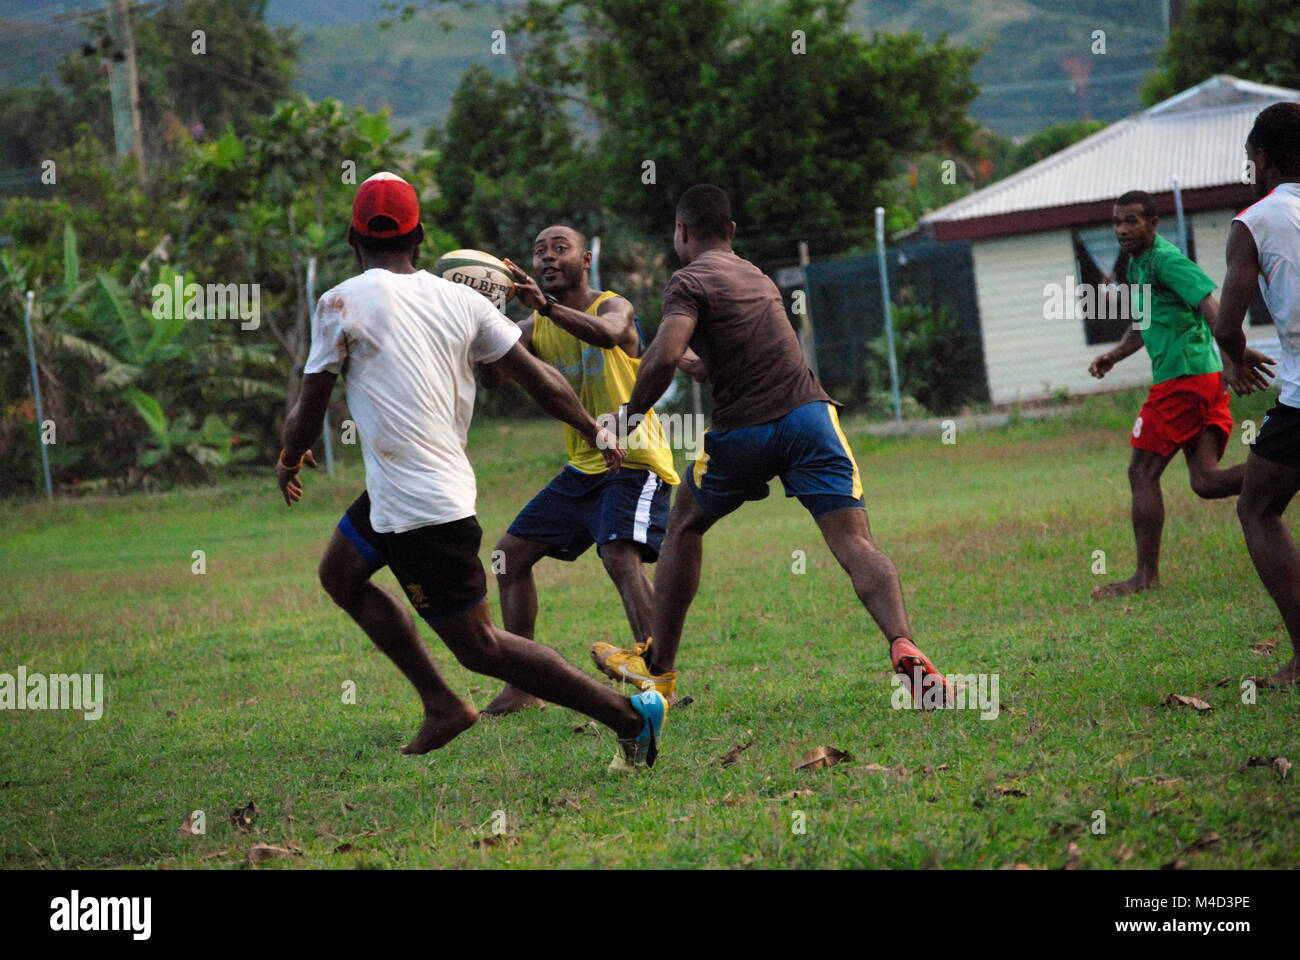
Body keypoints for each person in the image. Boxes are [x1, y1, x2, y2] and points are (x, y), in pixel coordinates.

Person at [276, 172, 665, 770]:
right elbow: (541, 381)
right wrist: (594, 430)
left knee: (481, 648)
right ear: (421, 236)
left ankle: (627, 716)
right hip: (399, 493)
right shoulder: (463, 301)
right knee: (341, 574)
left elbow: (308, 409)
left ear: (353, 237)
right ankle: (440, 705)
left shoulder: (339, 302)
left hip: (422, 509)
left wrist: (287, 456)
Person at [591, 183, 953, 707]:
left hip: (744, 431)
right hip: (811, 418)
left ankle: (659, 669)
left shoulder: (688, 278)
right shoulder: (755, 276)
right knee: (856, 545)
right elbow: (730, 356)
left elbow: (665, 355)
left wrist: (622, 422)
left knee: (685, 525)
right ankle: (904, 645)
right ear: (732, 231)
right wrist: (699, 364)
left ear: (682, 232)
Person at [473, 225, 683, 715]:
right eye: (538, 250)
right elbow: (491, 379)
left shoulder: (615, 305)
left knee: (617, 553)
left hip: (635, 459)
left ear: (585, 259)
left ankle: (660, 677)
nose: (547, 257)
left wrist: (544, 307)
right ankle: (522, 686)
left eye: (559, 249)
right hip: (585, 466)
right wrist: (486, 321)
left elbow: (609, 334)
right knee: (509, 557)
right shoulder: (529, 330)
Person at [1088, 190, 1248, 599]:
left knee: (1141, 473)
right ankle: (1288, 468)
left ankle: (1145, 576)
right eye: (1117, 222)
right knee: (1206, 482)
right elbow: (1143, 325)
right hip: (1198, 379)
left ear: (1153, 224)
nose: (1122, 229)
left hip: (1183, 381)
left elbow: (1209, 305)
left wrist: (1234, 358)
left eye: (1132, 221)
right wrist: (1113, 356)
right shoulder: (1138, 266)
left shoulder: (1166, 260)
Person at [1213, 102, 1298, 687]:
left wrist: (1238, 357)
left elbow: (1225, 323)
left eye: (1250, 160)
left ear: (1263, 158)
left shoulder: (1257, 220)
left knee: (1258, 507)